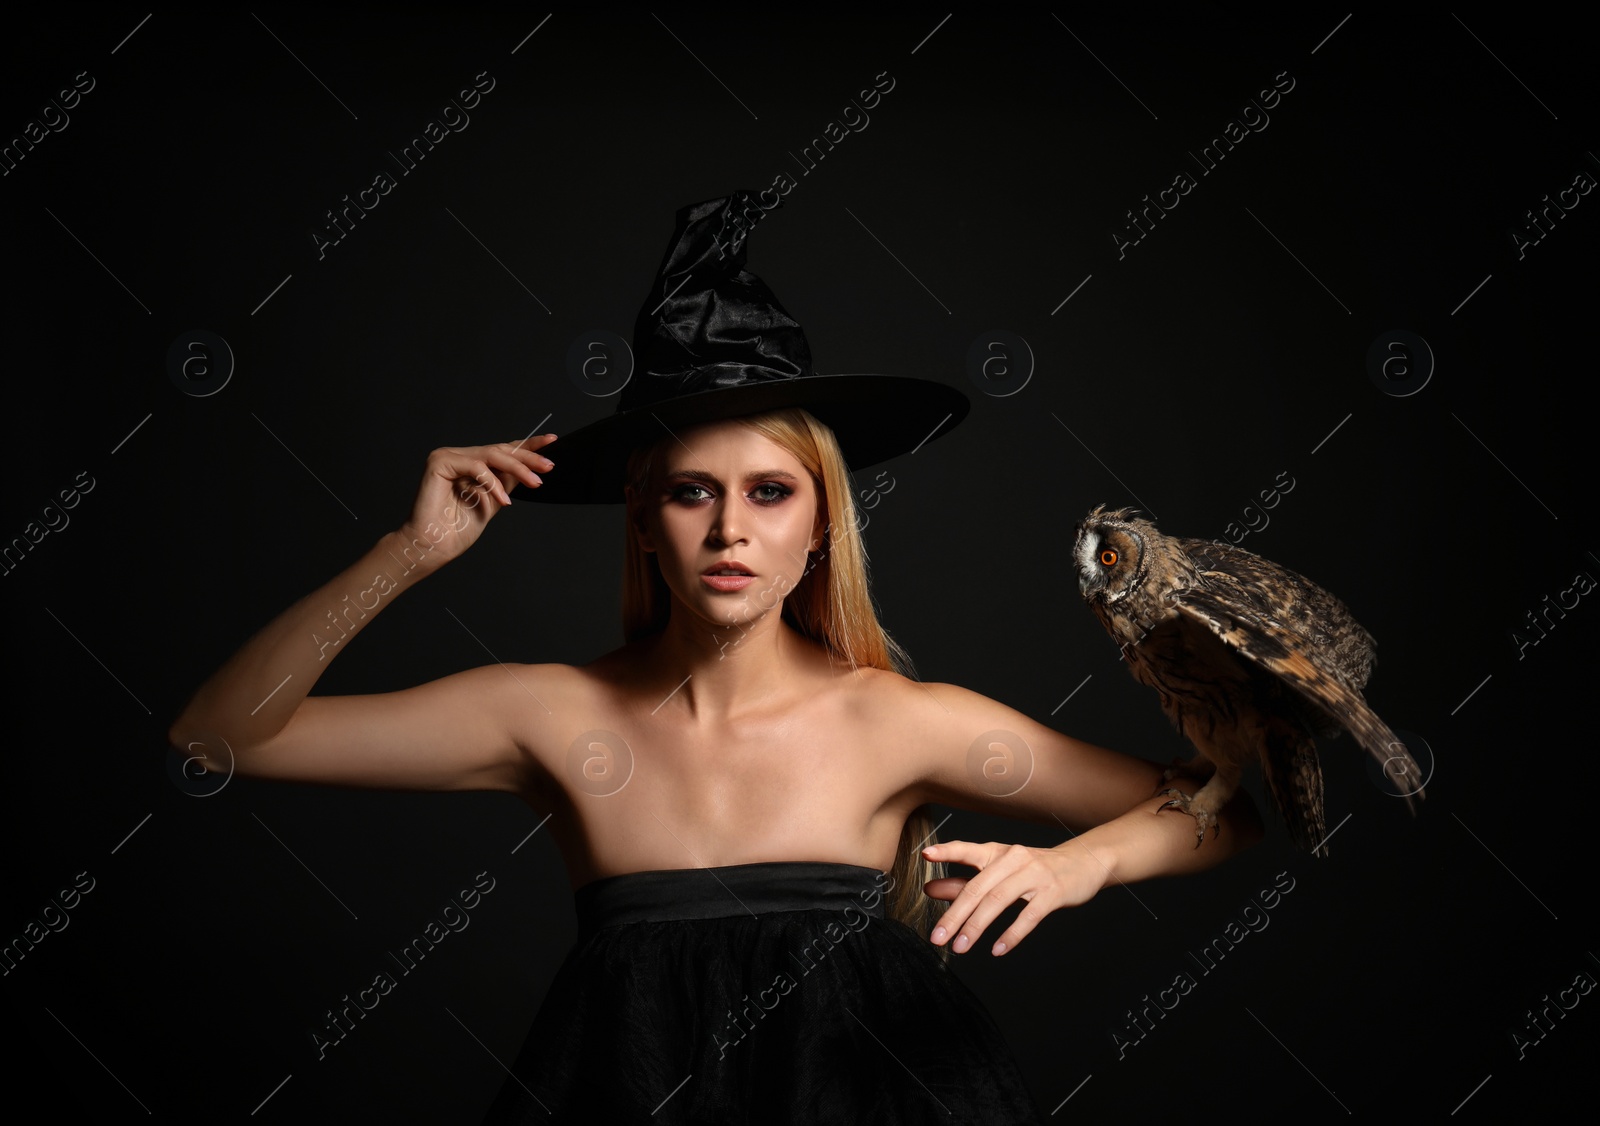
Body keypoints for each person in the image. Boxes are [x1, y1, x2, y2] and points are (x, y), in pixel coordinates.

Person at [168, 192, 1261, 1124]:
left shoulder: (896, 721)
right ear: (643, 521)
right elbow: (217, 738)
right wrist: (405, 554)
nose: (730, 530)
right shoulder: (551, 717)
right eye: (693, 492)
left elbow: (1224, 808)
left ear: (820, 523)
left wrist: (1075, 865)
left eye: (769, 492)